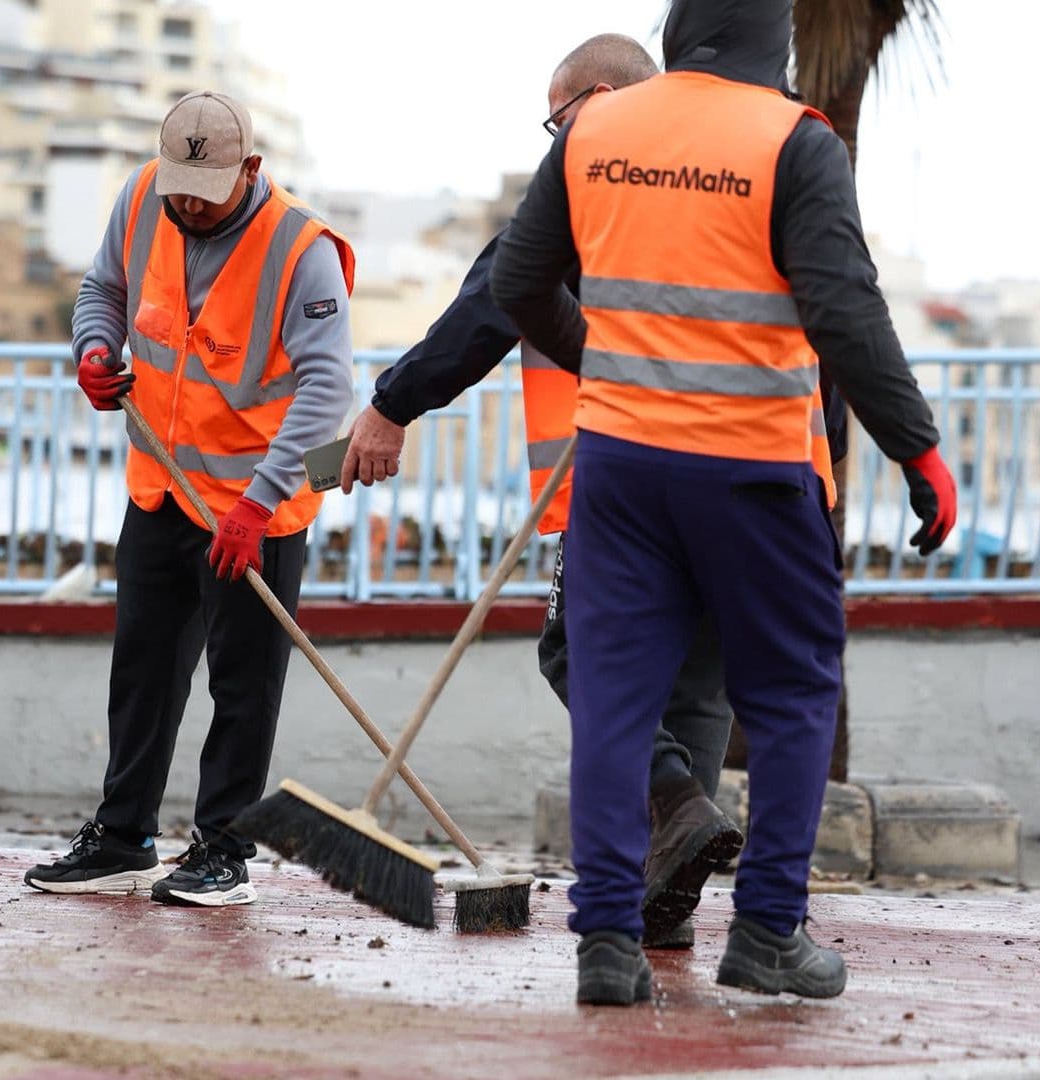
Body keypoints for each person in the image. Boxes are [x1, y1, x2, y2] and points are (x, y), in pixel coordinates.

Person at [489, 0, 956, 1005]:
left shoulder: (596, 133)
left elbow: (519, 284)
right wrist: (918, 449)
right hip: (754, 471)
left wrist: (605, 361)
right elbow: (843, 309)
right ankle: (768, 932)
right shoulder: (794, 141)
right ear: (773, 39)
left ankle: (606, 944)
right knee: (791, 694)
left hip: (620, 467)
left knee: (614, 701)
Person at [339, 33, 771, 955]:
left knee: (578, 649)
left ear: (597, 101)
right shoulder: (741, 168)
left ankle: (675, 804)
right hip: (748, 470)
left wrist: (391, 403)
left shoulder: (594, 172)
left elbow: (494, 300)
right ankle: (669, 893)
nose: (555, 137)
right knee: (698, 676)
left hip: (625, 474)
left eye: (556, 119)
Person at [25, 90, 356, 909]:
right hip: (162, 486)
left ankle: (222, 852)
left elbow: (327, 390)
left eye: (205, 194)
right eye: (179, 189)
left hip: (254, 506)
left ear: (251, 168)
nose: (188, 208)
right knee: (141, 669)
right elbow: (102, 289)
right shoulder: (143, 197)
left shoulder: (301, 248)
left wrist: (257, 506)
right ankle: (122, 839)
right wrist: (94, 350)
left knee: (243, 686)